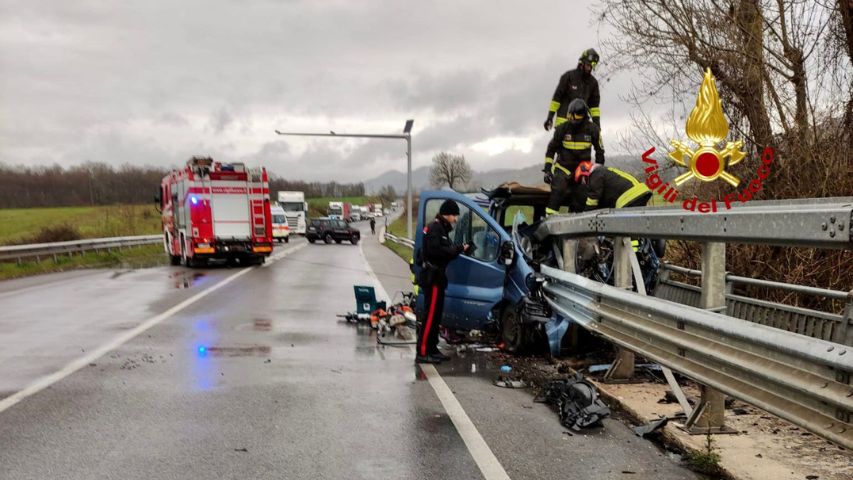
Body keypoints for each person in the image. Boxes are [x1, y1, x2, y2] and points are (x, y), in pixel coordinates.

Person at [416, 200, 470, 364]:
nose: (455, 219)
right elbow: (438, 252)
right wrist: (459, 248)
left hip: (438, 278)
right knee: (430, 316)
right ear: (448, 214)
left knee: (436, 316)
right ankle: (423, 351)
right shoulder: (435, 228)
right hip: (432, 279)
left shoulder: (441, 228)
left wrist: (457, 248)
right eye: (454, 215)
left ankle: (432, 349)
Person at [543, 98, 605, 215]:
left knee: (582, 197)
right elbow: (551, 150)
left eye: (576, 117)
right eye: (571, 117)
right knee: (558, 190)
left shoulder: (593, 129)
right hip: (563, 167)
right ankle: (549, 218)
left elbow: (600, 152)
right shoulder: (562, 128)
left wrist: (596, 173)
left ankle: (574, 220)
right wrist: (547, 170)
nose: (573, 121)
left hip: (582, 170)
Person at [574, 161, 652, 252]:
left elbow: (593, 198)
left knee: (626, 230)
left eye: (582, 179)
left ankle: (632, 255)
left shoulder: (596, 174)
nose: (584, 184)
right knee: (635, 226)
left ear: (585, 172)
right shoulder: (606, 172)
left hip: (629, 196)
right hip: (641, 192)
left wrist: (586, 216)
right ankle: (642, 252)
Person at [543, 48, 601, 130]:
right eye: (588, 65)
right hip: (563, 124)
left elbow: (594, 108)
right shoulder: (568, 77)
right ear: (582, 63)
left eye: (591, 66)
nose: (589, 68)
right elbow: (556, 99)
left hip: (582, 127)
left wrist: (597, 126)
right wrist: (550, 118)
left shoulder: (593, 83)